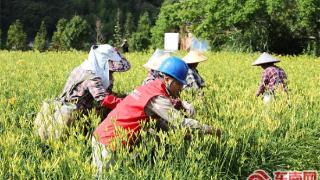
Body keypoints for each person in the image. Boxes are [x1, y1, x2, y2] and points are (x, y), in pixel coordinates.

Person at [92, 57, 220, 173]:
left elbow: (158, 121)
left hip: (111, 139)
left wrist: (178, 131)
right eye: (179, 83)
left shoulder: (152, 87)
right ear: (168, 79)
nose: (181, 88)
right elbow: (181, 122)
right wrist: (210, 130)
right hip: (109, 142)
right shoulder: (156, 97)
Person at [34, 44, 130, 140]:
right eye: (111, 70)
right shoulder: (92, 77)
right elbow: (104, 99)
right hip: (74, 114)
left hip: (67, 106)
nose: (112, 73)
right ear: (103, 63)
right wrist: (127, 104)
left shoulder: (85, 67)